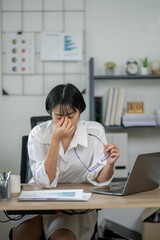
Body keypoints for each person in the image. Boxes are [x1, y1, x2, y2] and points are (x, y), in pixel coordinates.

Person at [12, 83, 120, 240]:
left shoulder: (95, 132)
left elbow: (101, 181)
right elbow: (45, 181)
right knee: (24, 236)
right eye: (58, 117)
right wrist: (55, 140)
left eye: (71, 116)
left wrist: (110, 164)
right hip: (38, 200)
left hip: (75, 206)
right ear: (50, 113)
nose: (65, 122)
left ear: (79, 111)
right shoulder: (38, 133)